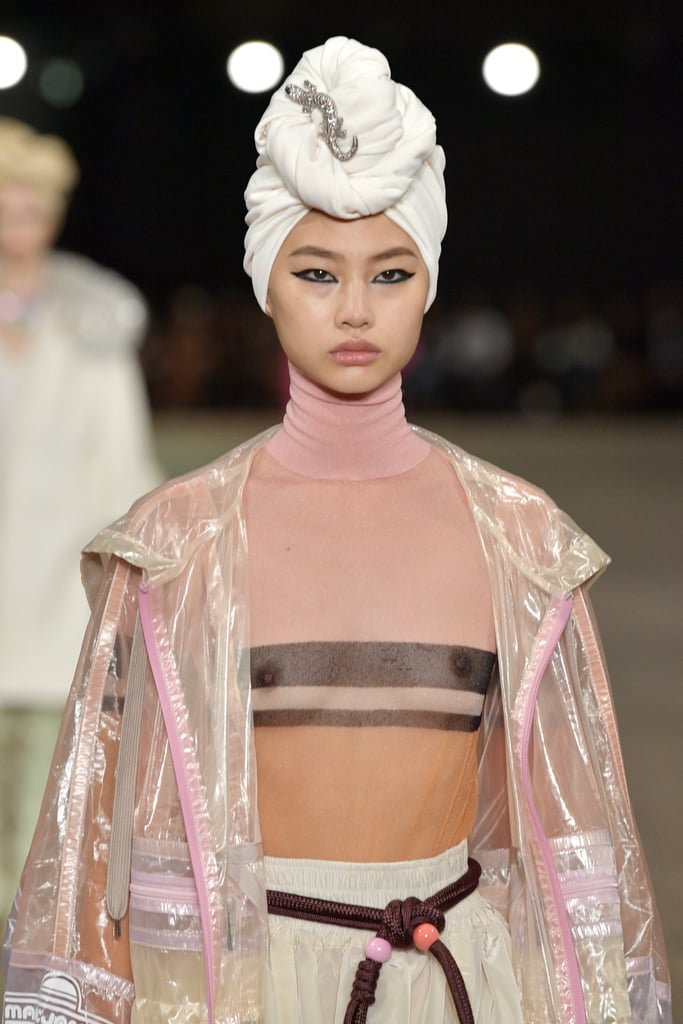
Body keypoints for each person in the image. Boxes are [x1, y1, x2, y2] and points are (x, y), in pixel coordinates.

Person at [1, 38, 670, 1024]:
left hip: (459, 986)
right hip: (232, 995)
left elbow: (578, 845)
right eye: (316, 272)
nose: (354, 308)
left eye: (390, 273)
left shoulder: (522, 539)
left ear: (429, 284)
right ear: (265, 281)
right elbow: (91, 839)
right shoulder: (175, 544)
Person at [0, 118, 162, 928]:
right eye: (4, 199)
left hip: (56, 601)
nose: (16, 218)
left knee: (41, 818)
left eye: (32, 202)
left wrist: (133, 569)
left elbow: (123, 461)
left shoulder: (93, 327)